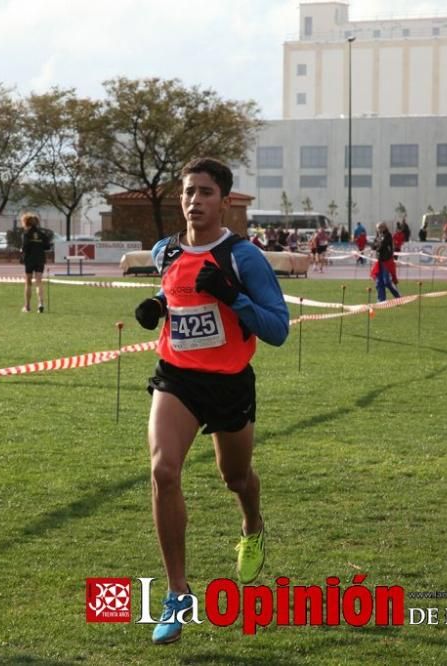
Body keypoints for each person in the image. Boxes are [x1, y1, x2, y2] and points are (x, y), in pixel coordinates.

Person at [133, 157, 289, 645]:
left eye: (204, 192)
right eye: (188, 192)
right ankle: (178, 593)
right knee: (162, 471)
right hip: (177, 378)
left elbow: (278, 328)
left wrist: (232, 297)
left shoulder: (243, 258)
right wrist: (159, 304)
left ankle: (252, 522)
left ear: (224, 201)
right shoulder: (165, 251)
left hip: (229, 383)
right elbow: (175, 291)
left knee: (235, 477)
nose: (194, 200)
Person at [19, 212, 50, 312]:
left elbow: (24, 247)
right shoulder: (42, 234)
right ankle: (40, 303)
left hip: (29, 259)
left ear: (26, 223)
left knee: (28, 282)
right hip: (40, 259)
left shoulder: (26, 234)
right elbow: (47, 246)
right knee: (39, 282)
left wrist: (22, 252)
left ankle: (27, 306)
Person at [371, 222, 401, 301]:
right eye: (378, 228)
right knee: (379, 282)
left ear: (384, 227)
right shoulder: (378, 236)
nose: (379, 229)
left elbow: (381, 246)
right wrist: (376, 245)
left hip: (387, 262)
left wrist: (376, 246)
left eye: (380, 227)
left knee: (387, 282)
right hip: (379, 261)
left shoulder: (388, 235)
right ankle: (381, 301)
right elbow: (373, 245)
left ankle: (397, 296)